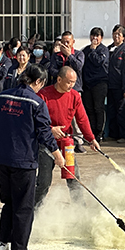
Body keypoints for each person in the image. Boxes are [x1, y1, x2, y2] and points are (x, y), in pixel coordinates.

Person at [0, 64, 64, 250]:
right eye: (41, 84)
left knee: (9, 202)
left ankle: (1, 244)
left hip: (2, 159)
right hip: (23, 160)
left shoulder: (2, 97)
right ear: (37, 82)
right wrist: (57, 154)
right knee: (24, 205)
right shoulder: (36, 103)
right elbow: (45, 132)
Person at [34, 66, 100, 206]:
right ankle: (34, 210)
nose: (71, 85)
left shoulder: (75, 96)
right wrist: (50, 129)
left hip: (66, 143)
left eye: (74, 82)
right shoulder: (43, 95)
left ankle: (79, 210)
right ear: (59, 79)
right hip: (46, 143)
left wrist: (91, 139)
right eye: (69, 82)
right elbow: (35, 120)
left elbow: (82, 119)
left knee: (74, 178)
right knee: (44, 182)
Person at [81, 27, 109, 142]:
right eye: (93, 35)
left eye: (97, 36)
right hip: (87, 84)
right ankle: (91, 132)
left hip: (99, 83)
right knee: (89, 109)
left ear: (101, 38)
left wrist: (93, 50)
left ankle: (100, 132)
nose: (94, 38)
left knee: (99, 108)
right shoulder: (86, 50)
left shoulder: (103, 50)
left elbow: (99, 62)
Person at [106, 25, 125, 143]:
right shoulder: (108, 49)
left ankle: (124, 135)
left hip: (121, 86)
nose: (116, 36)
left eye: (119, 34)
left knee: (122, 111)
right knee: (111, 110)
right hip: (110, 85)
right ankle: (113, 134)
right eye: (114, 33)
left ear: (123, 37)